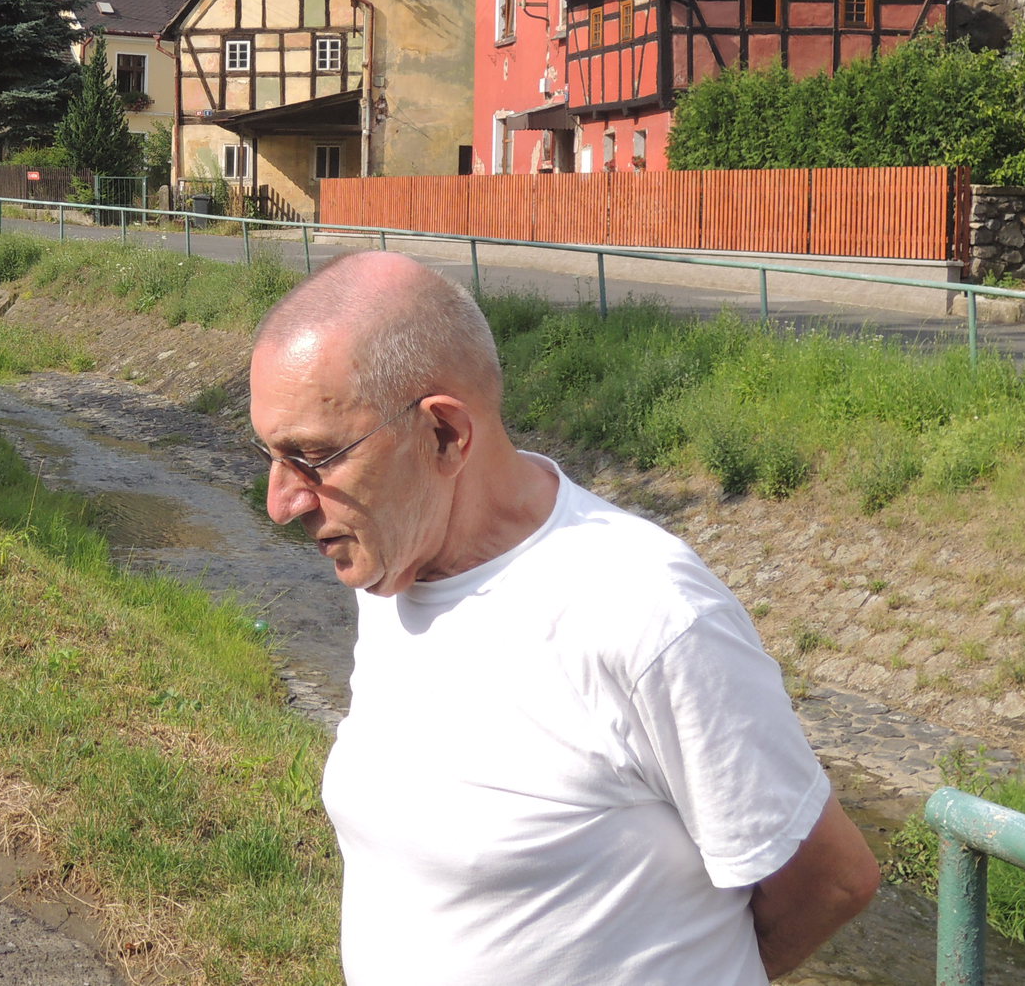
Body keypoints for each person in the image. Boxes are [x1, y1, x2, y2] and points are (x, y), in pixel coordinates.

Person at [249, 252, 878, 985]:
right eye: (270, 455)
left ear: (444, 435)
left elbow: (831, 882)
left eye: (313, 457)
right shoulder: (392, 571)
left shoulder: (646, 613)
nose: (280, 502)